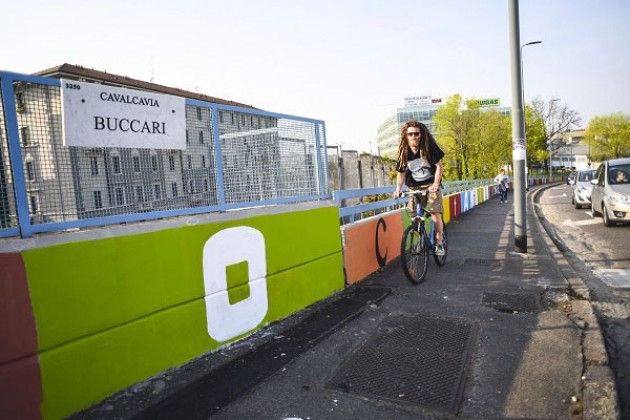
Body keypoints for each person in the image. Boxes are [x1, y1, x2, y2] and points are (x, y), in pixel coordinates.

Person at [393, 121, 446, 256]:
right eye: (410, 134)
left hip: (430, 186)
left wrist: (435, 184)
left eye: (416, 133)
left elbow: (439, 167)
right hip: (414, 187)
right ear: (406, 135)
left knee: (435, 214)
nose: (414, 136)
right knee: (414, 217)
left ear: (421, 134)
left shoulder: (429, 148)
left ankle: (439, 243)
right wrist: (398, 188)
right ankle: (420, 241)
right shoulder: (404, 153)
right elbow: (401, 173)